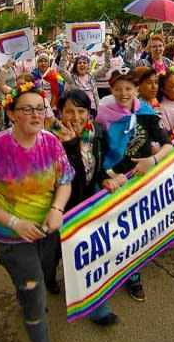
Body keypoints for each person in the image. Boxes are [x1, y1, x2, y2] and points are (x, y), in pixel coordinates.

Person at [0, 81, 74, 342]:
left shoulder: (51, 142)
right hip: (13, 238)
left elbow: (64, 181)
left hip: (48, 231)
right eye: (27, 109)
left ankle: (26, 292)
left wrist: (57, 209)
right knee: (35, 299)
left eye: (40, 108)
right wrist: (15, 223)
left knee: (40, 277)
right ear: (12, 113)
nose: (36, 114)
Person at [40, 90, 119, 326]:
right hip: (57, 210)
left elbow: (98, 163)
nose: (76, 117)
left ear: (89, 112)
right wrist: (72, 143)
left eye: (81, 111)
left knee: (89, 257)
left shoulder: (96, 133)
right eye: (69, 111)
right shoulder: (48, 140)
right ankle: (48, 278)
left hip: (86, 209)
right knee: (50, 256)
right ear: (60, 113)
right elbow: (66, 173)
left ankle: (97, 307)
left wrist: (104, 177)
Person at [95, 70, 174, 301]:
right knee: (117, 231)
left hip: (142, 181)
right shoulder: (102, 117)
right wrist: (108, 176)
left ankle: (132, 273)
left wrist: (153, 160)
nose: (123, 93)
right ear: (111, 90)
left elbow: (167, 143)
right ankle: (111, 270)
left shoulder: (146, 114)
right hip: (115, 182)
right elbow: (98, 155)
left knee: (137, 229)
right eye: (118, 89)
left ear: (136, 90)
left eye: (128, 88)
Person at [59, 45, 111, 116]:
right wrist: (64, 53)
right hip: (79, 110)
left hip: (93, 109)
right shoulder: (72, 79)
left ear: (88, 66)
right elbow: (62, 70)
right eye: (79, 63)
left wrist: (107, 52)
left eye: (84, 63)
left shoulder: (93, 76)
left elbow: (106, 67)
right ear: (76, 66)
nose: (82, 65)